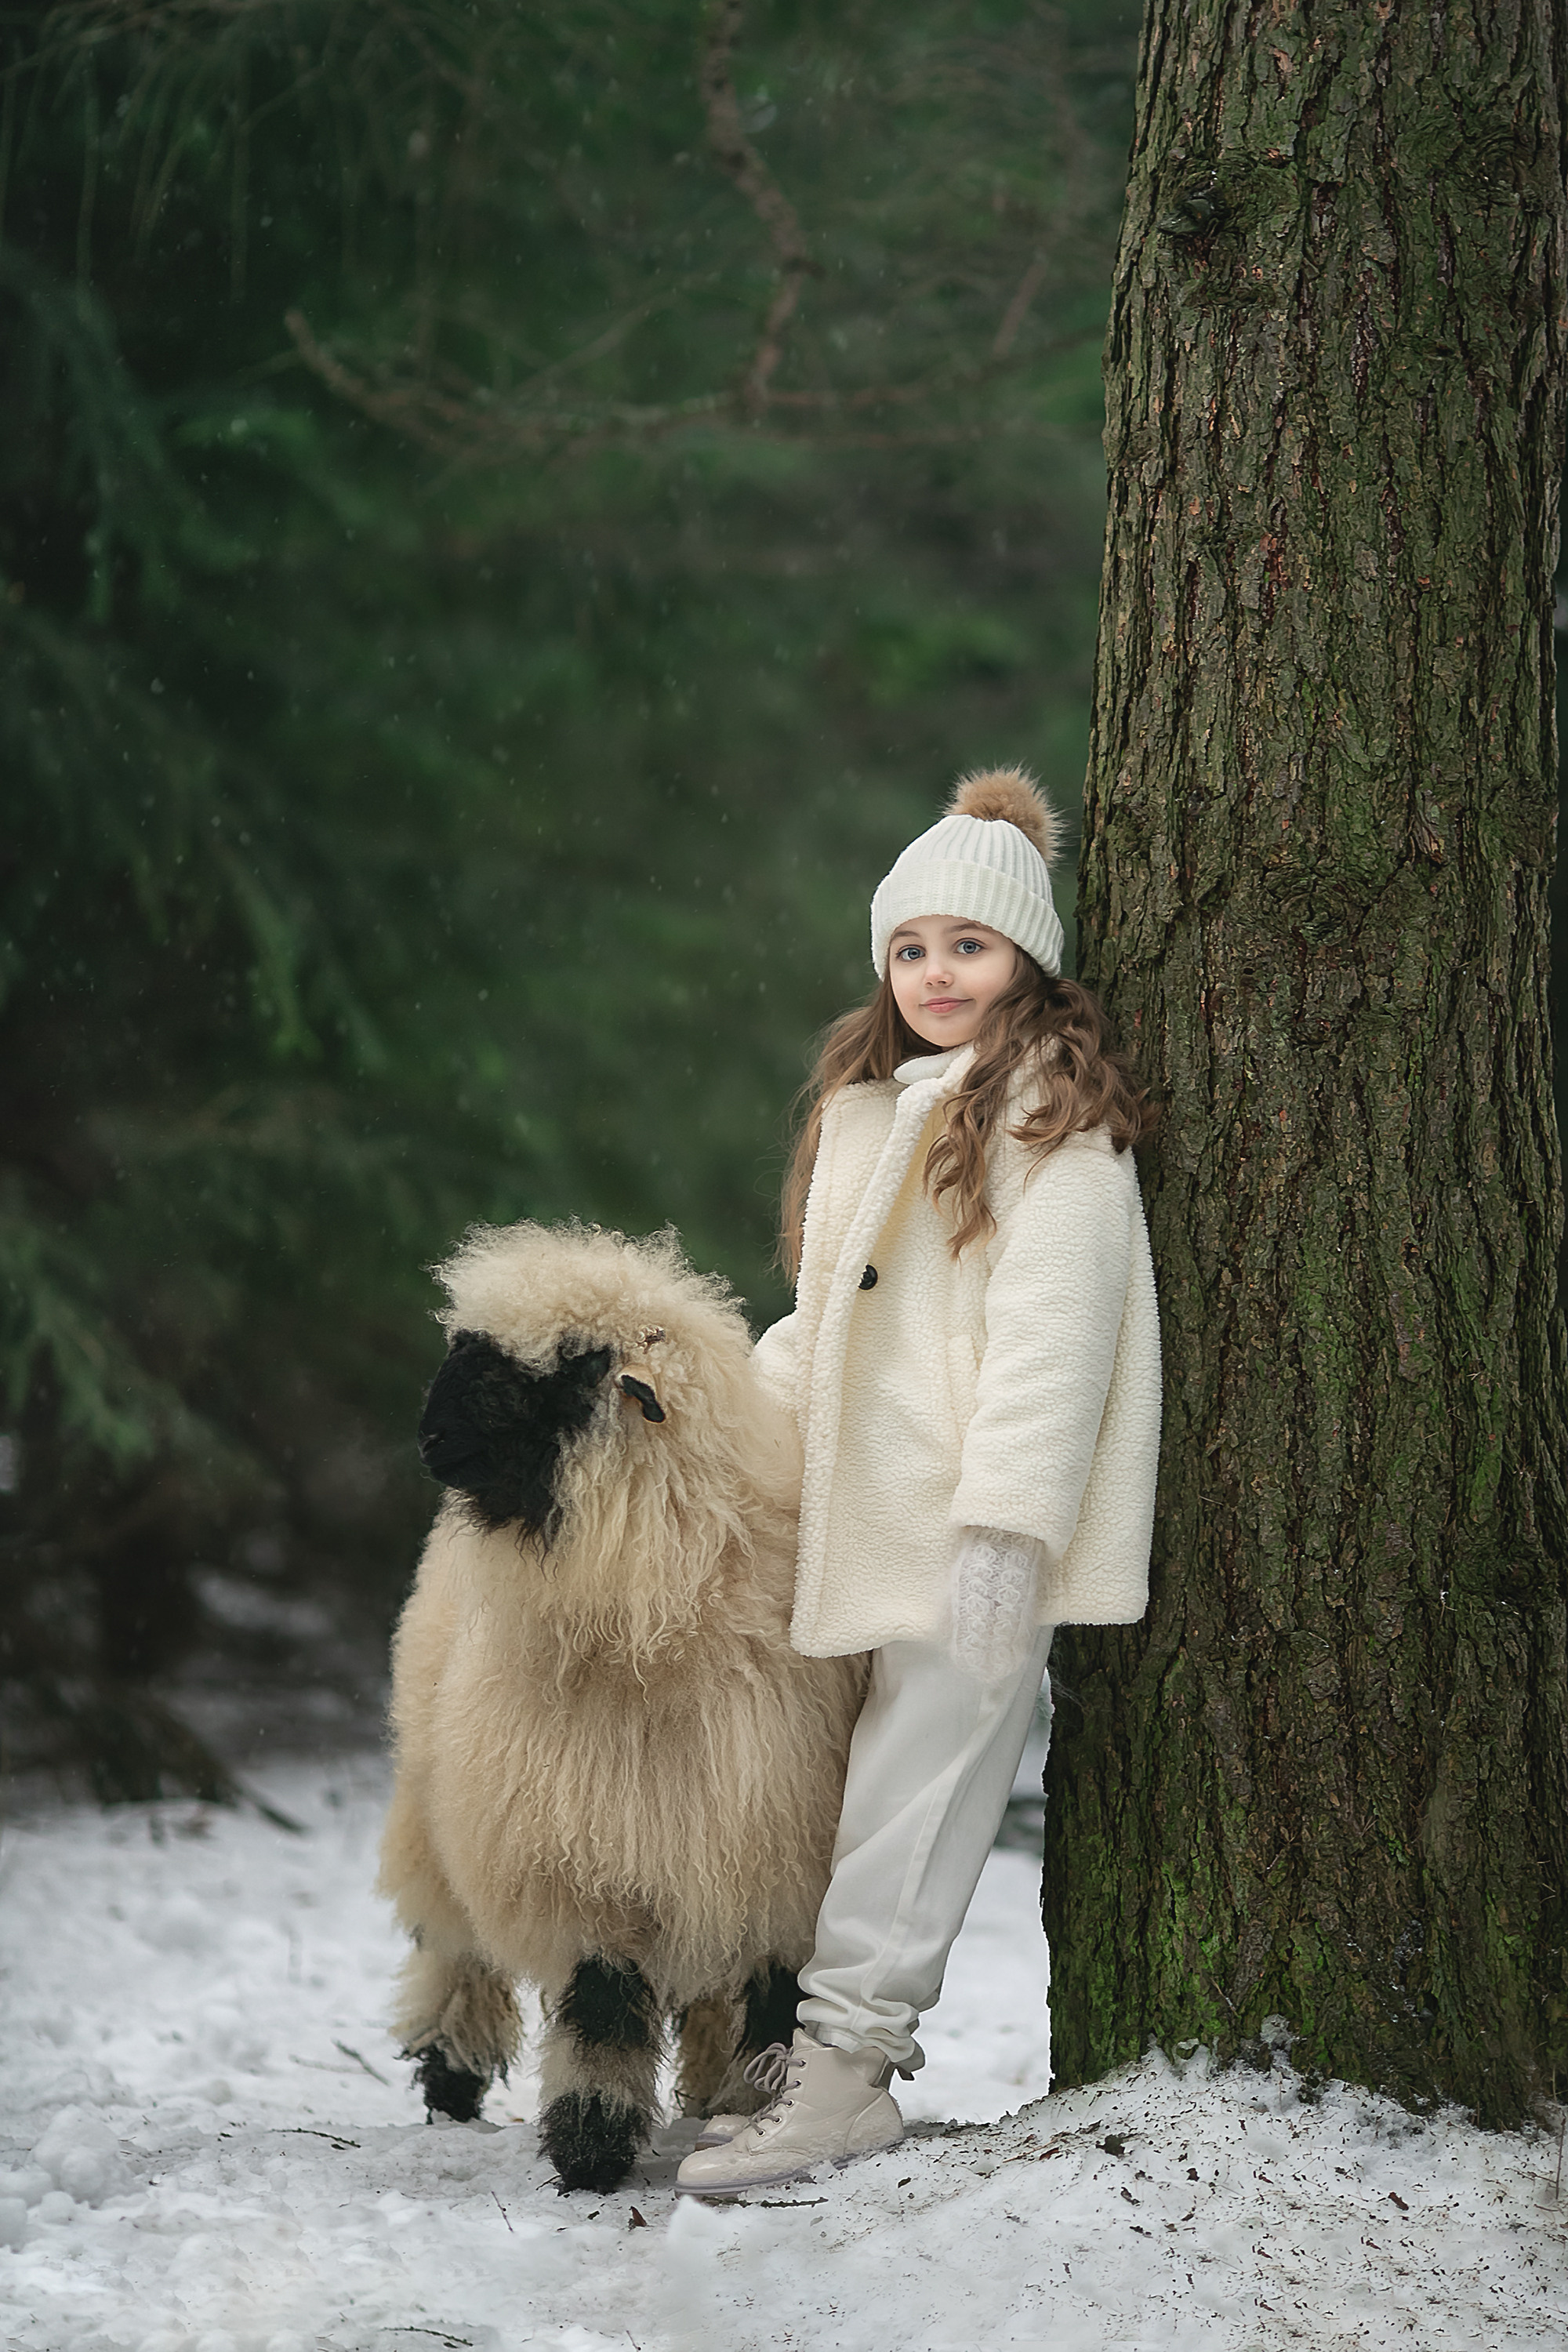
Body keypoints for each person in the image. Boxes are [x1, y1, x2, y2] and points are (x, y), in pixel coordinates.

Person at [675, 767, 1161, 2197]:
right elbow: (828, 1327)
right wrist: (732, 1429)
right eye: (910, 948)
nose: (936, 974)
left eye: (970, 945)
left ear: (1029, 960)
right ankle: (813, 2057)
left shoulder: (1049, 1114)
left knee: (921, 1792)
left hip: (972, 1530)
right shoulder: (874, 1109)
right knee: (860, 1790)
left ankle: (847, 2078)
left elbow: (1057, 1334)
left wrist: (1009, 1527)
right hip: (869, 1519)